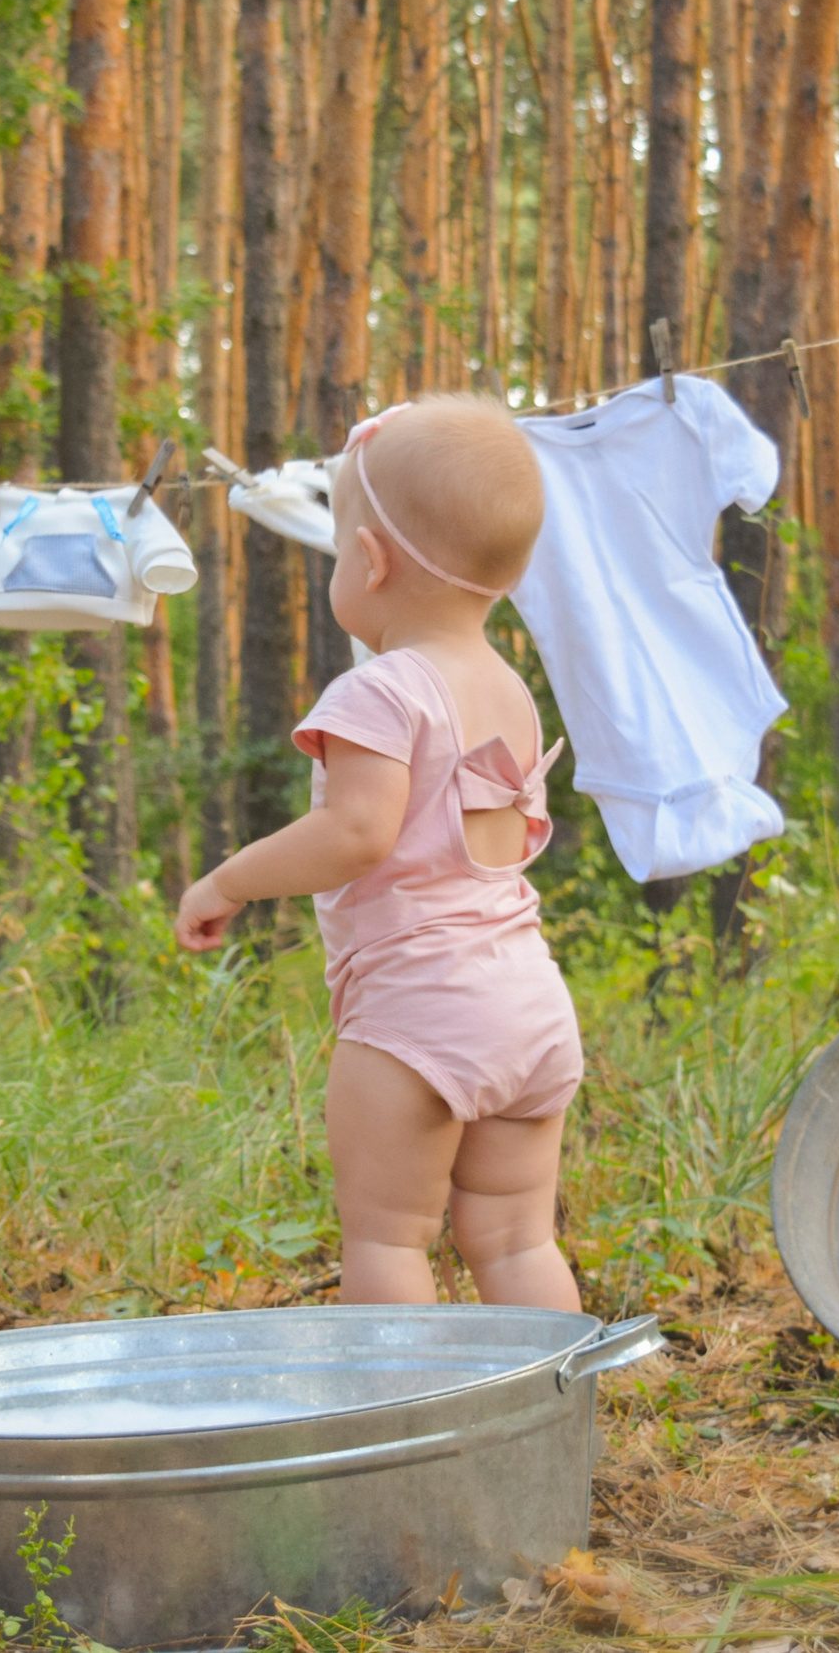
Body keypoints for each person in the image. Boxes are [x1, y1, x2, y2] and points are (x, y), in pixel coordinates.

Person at [177, 395, 581, 1311]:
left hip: (420, 1013)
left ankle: (404, 1401)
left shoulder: (382, 691)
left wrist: (228, 880)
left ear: (370, 559)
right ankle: (559, 1399)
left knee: (389, 1237)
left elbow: (357, 834)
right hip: (529, 1004)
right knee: (517, 1240)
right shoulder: (508, 689)